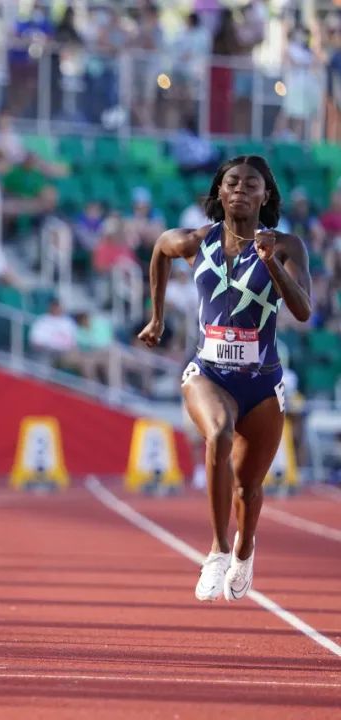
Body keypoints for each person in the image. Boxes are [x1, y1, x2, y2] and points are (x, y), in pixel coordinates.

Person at [137, 156, 311, 603]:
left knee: (248, 489)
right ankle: (216, 552)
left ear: (264, 195)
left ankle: (244, 549)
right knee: (218, 433)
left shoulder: (288, 246)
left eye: (250, 184)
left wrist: (270, 262)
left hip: (263, 382)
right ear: (219, 193)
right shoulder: (198, 241)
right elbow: (159, 249)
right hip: (208, 372)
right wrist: (156, 319)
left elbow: (304, 310)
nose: (239, 190)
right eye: (231, 183)